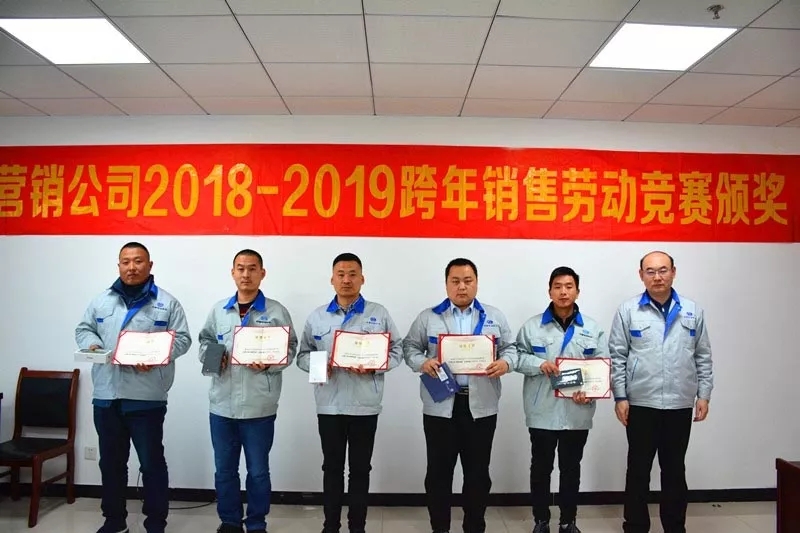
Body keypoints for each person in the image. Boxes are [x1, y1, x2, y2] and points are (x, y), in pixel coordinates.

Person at [75, 242, 191, 533]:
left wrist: (157, 355)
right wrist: (92, 344)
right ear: (118, 266)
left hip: (146, 396)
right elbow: (84, 329)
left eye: (138, 261)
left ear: (150, 265)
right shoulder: (102, 301)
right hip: (107, 396)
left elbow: (183, 339)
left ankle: (155, 523)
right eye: (125, 261)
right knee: (111, 464)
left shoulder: (168, 303)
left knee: (151, 464)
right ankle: (114, 521)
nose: (131, 267)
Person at [403, 258, 517, 533]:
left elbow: (511, 349)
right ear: (446, 284)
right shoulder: (429, 317)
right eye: (455, 281)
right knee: (438, 475)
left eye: (467, 281)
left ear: (476, 283)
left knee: (478, 475)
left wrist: (505, 363)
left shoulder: (494, 316)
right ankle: (440, 528)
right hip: (440, 406)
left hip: (481, 407)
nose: (462, 287)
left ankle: (474, 526)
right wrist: (422, 362)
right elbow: (409, 347)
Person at [296, 252, 403, 533]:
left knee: (360, 470)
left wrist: (375, 366)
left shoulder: (379, 313)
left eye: (352, 274)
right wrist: (320, 364)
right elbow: (302, 355)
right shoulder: (318, 316)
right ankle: (330, 525)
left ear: (362, 279)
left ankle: (358, 527)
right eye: (341, 274)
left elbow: (398, 350)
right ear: (332, 279)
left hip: (365, 405)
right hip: (329, 405)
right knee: (331, 469)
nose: (346, 280)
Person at [609, 251, 713, 533]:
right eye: (651, 271)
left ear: (673, 272)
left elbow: (703, 356)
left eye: (663, 270)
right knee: (638, 470)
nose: (657, 277)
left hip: (679, 404)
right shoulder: (628, 310)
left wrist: (703, 394)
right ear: (641, 275)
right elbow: (617, 356)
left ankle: (675, 527)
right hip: (641, 403)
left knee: (675, 471)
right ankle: (635, 526)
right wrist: (620, 397)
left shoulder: (692, 310)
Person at [198, 249, 298, 533]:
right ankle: (229, 521)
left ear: (262, 273)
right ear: (232, 273)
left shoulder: (276, 312)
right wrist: (214, 356)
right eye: (240, 268)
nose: (246, 274)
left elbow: (291, 348)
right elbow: (204, 342)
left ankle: (256, 523)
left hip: (259, 406)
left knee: (258, 471)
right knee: (225, 471)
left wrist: (270, 363)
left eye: (252, 268)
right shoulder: (219, 310)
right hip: (222, 406)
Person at [515, 266, 607, 533]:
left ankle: (568, 521)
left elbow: (602, 366)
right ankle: (541, 520)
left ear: (577, 291)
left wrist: (589, 392)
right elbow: (515, 357)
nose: (563, 292)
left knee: (571, 469)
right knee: (540, 469)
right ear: (549, 291)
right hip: (541, 410)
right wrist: (539, 364)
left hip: (577, 411)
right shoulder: (532, 326)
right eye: (557, 286)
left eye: (569, 286)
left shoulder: (592, 328)